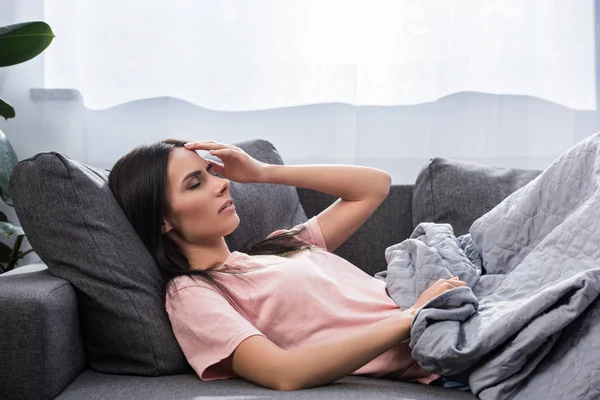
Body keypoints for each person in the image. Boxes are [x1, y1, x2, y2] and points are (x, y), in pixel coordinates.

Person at [108, 139, 468, 392]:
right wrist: (413, 315)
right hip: (436, 335)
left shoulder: (277, 246)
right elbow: (284, 373)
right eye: (195, 184)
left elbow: (374, 185)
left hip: (448, 300)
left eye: (212, 172)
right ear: (162, 221)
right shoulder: (192, 293)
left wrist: (263, 172)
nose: (222, 184)